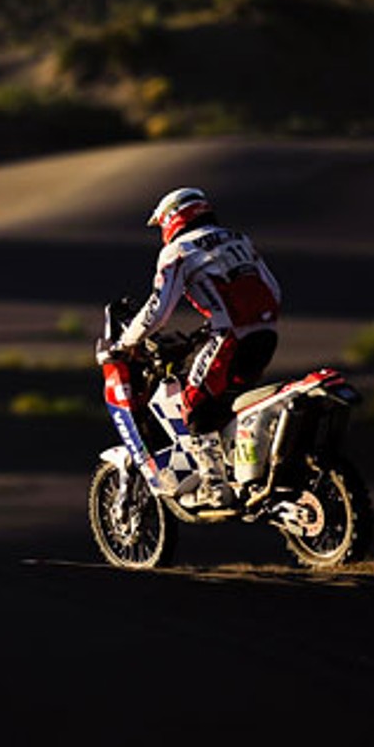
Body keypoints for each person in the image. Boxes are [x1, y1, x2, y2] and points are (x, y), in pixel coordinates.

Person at [110, 187, 282, 507]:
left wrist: (125, 343)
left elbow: (157, 311)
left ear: (173, 218)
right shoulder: (238, 239)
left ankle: (214, 487)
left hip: (230, 336)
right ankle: (245, 465)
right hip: (266, 331)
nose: (163, 232)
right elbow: (273, 288)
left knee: (194, 403)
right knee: (229, 403)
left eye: (162, 224)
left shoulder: (178, 250)